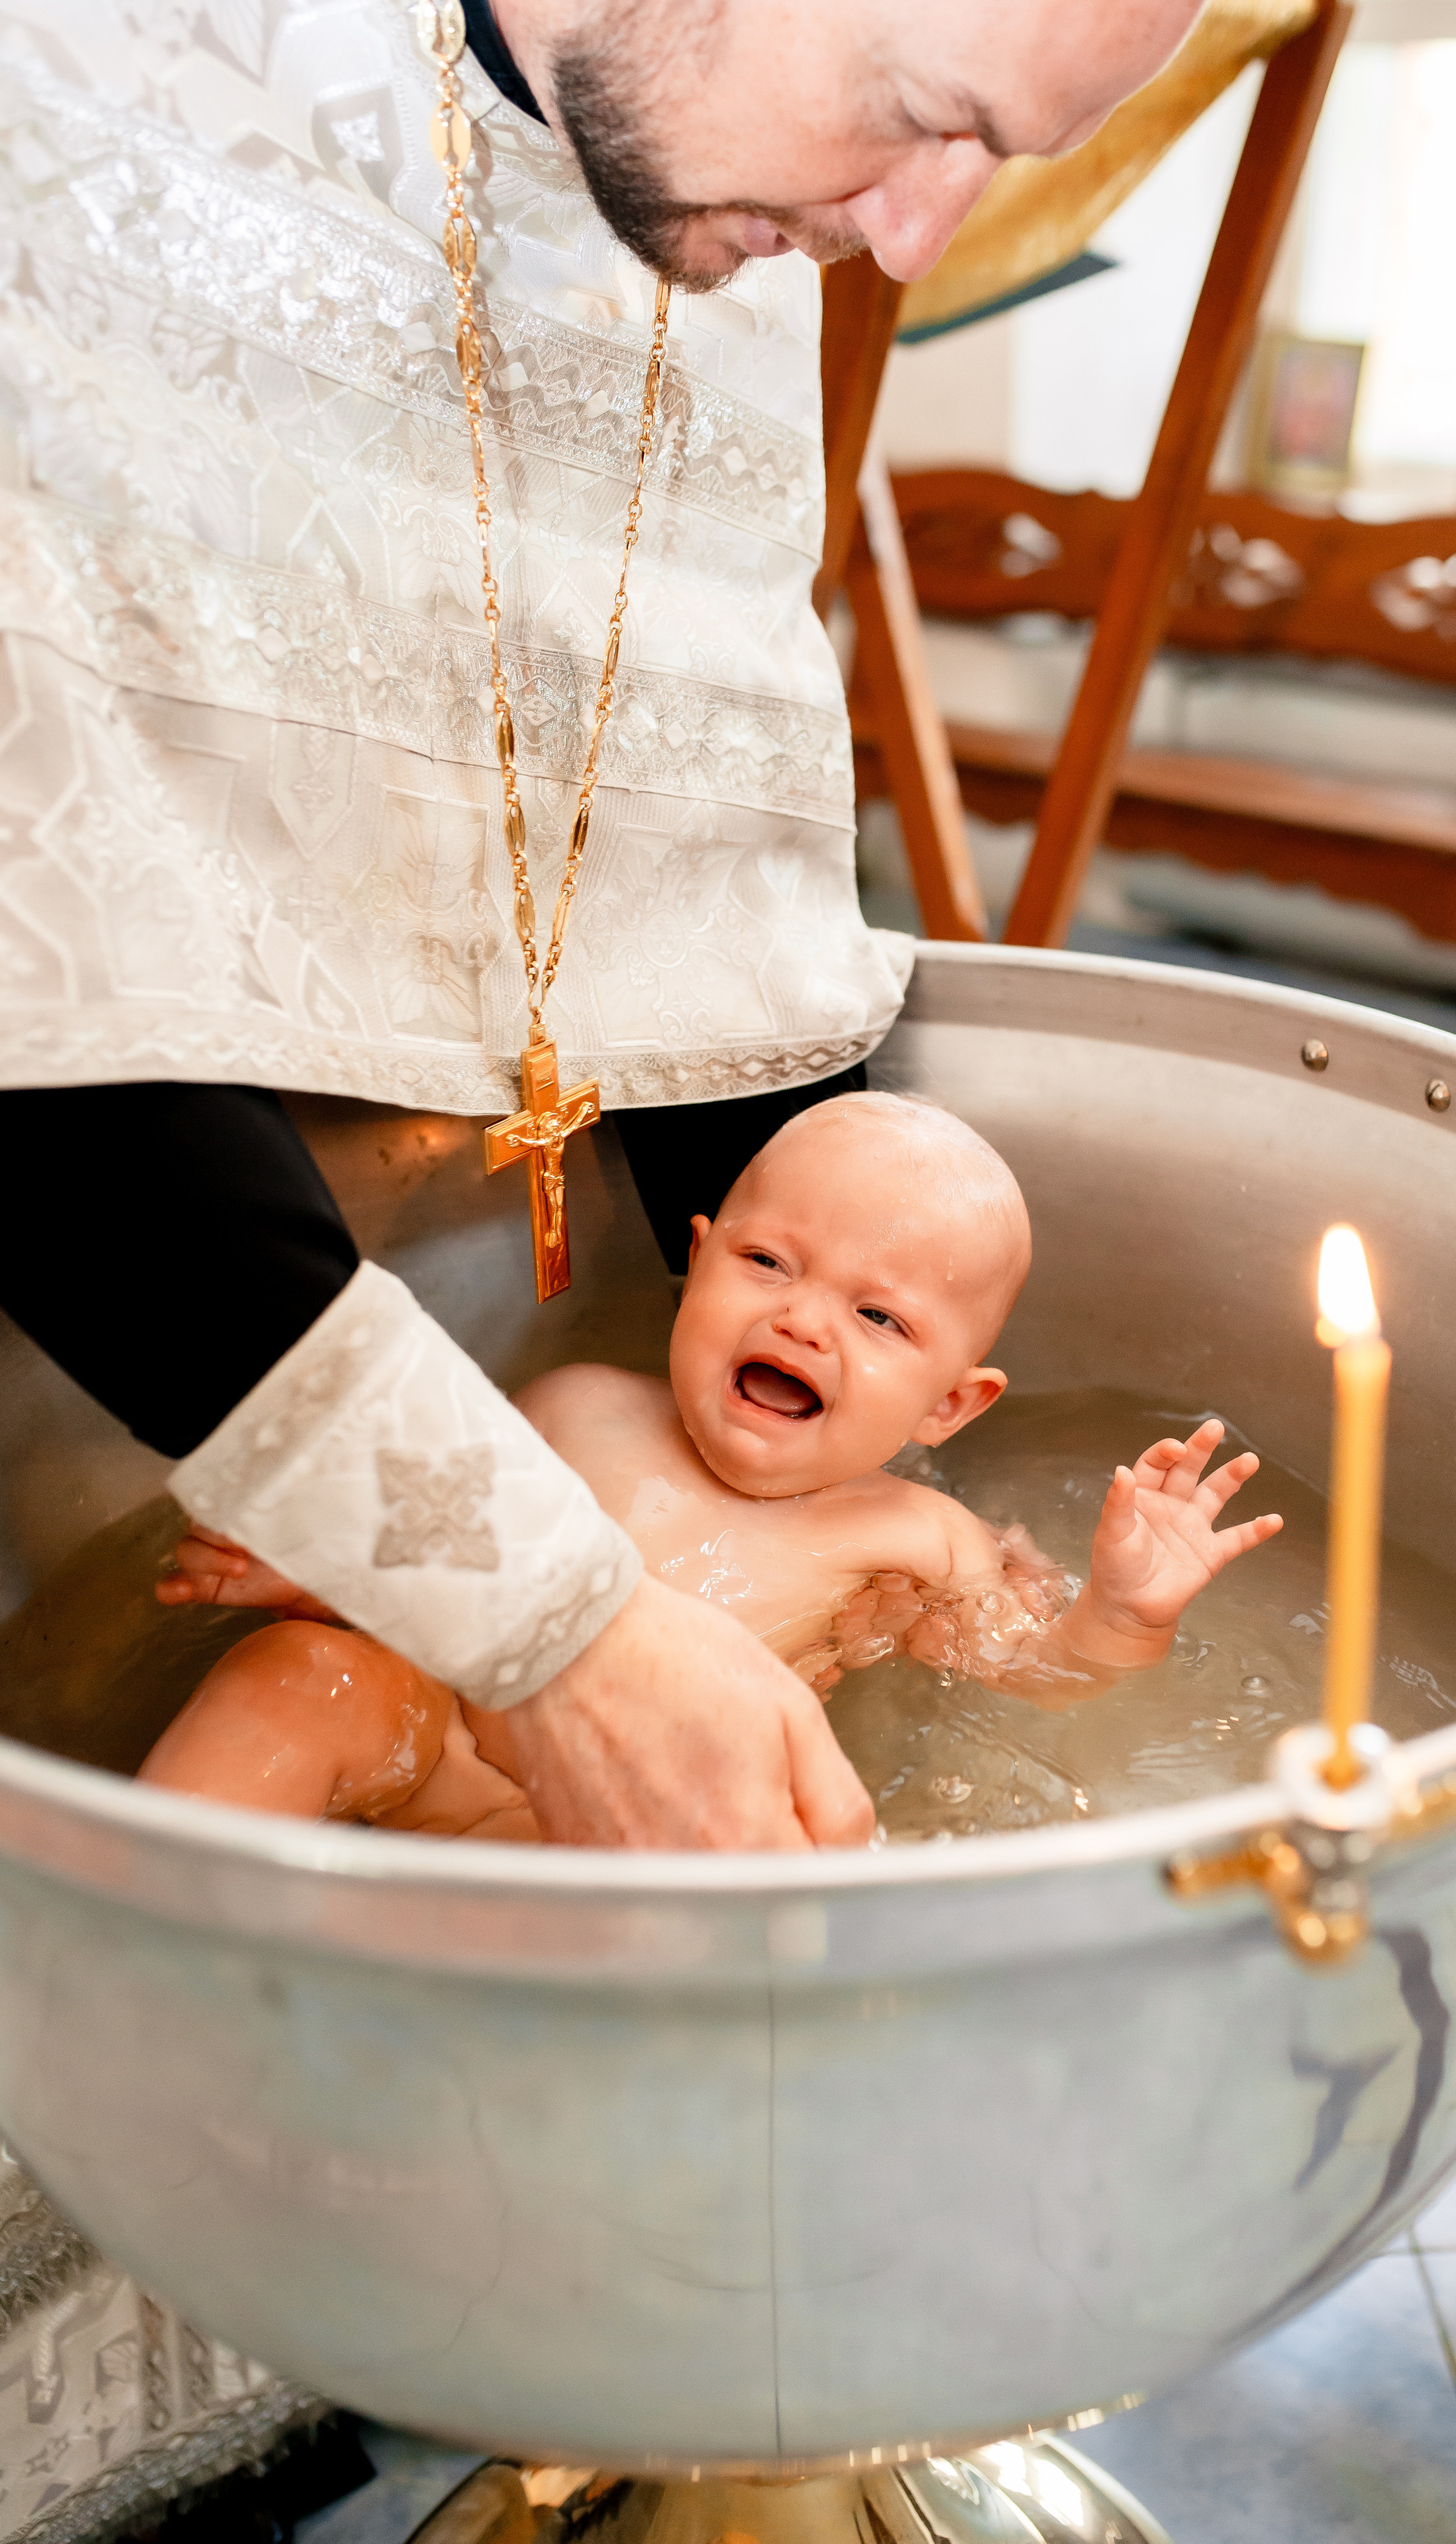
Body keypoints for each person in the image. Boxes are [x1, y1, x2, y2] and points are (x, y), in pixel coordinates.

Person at [0, 0, 1204, 1850]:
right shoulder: (85, 82)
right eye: (920, 113)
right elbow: (45, 937)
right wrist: (532, 1625)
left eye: (1001, 159)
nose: (916, 244)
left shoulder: (713, 202)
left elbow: (681, 842)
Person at [140, 1096, 1280, 1838]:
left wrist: (1122, 1616)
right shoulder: (575, 1404)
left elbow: (1036, 1669)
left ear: (951, 1404)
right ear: (696, 1265)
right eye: (769, 1260)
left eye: (879, 1317)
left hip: (638, 1835)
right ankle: (135, 1956)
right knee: (302, 1674)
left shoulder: (916, 1541)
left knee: (789, 1850)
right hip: (435, 1751)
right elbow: (436, 1558)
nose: (803, 1320)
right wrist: (318, 1567)